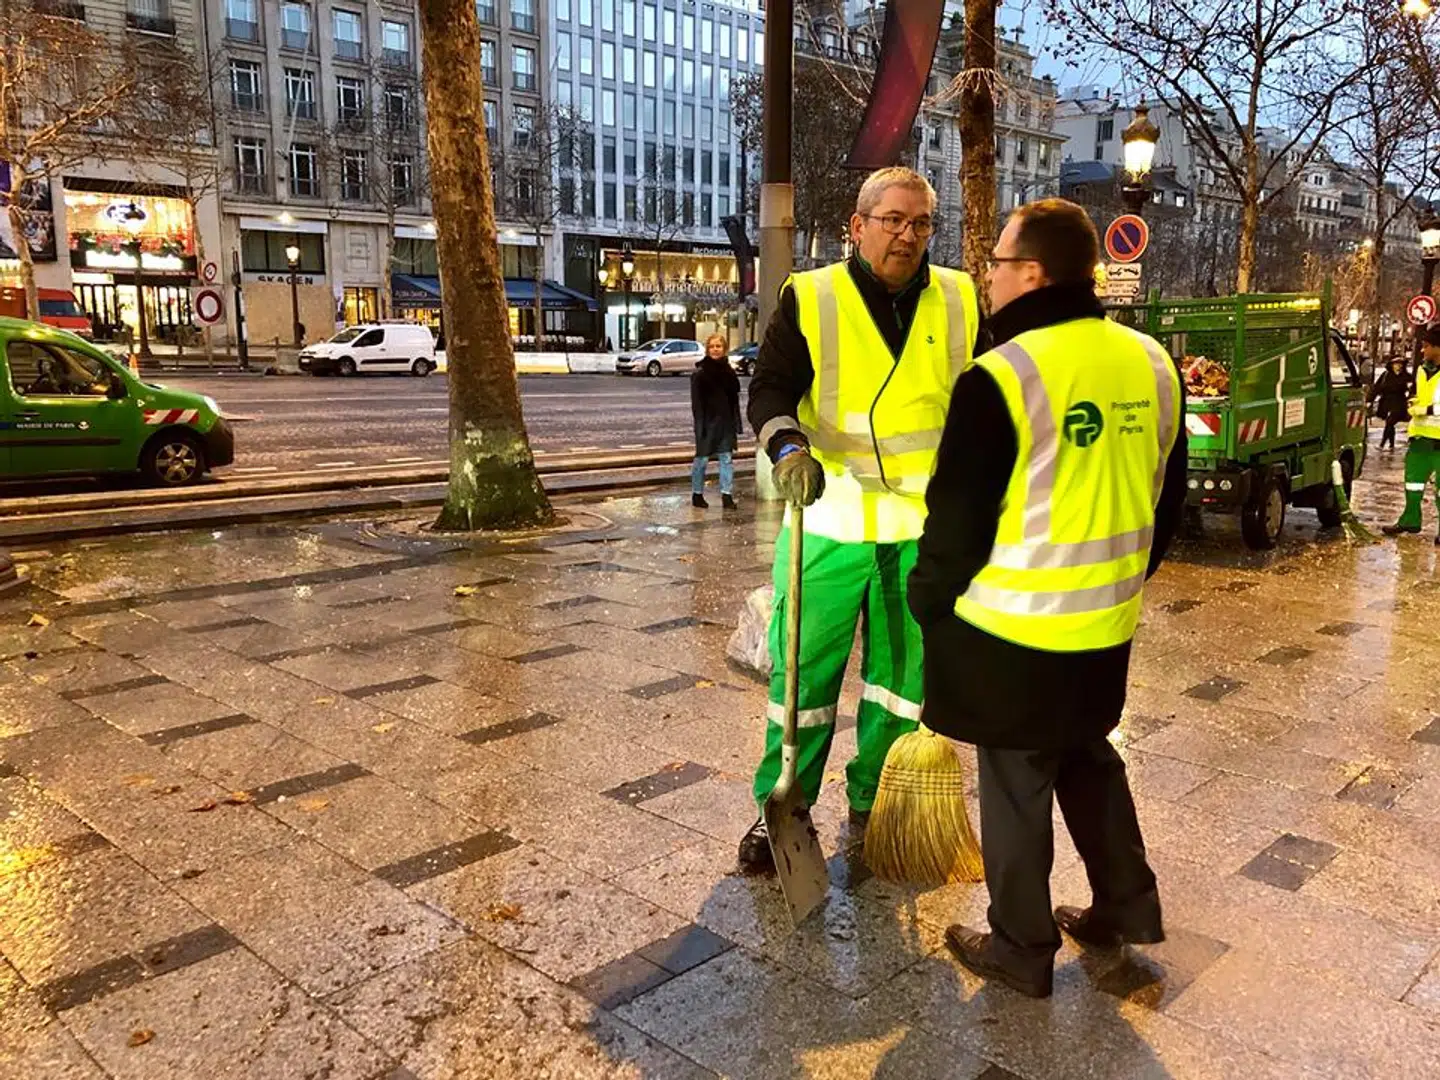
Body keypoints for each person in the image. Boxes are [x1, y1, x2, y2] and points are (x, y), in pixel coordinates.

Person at [907, 198, 1187, 999]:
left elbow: (955, 520)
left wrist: (929, 600)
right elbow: (1166, 499)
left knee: (1017, 779)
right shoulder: (1151, 362)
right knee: (1091, 759)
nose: (987, 277)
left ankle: (1021, 948)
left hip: (1012, 627)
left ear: (1031, 273)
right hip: (1106, 622)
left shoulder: (1002, 375)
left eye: (995, 263)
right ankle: (1124, 910)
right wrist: (1125, 578)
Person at [738, 166, 982, 871]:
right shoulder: (812, 296)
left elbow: (985, 397)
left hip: (919, 529)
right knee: (803, 680)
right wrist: (787, 447)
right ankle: (780, 807)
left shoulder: (961, 298)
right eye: (894, 221)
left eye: (921, 224)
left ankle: (875, 801)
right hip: (830, 517)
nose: (908, 236)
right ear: (858, 226)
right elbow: (773, 388)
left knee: (902, 683)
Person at [1383, 326, 1440, 541]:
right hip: (1419, 438)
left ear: (1438, 347)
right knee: (1412, 483)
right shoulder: (1422, 370)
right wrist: (1413, 404)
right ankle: (1410, 520)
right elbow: (1417, 395)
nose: (1422, 351)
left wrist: (1424, 410)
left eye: (1426, 347)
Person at [691, 332, 742, 509]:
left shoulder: (729, 372)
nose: (715, 349)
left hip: (726, 423)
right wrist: (700, 427)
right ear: (707, 349)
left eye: (718, 346)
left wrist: (736, 423)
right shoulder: (700, 373)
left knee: (726, 459)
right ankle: (697, 494)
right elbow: (697, 405)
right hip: (707, 423)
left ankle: (726, 496)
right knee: (702, 460)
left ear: (724, 349)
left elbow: (734, 400)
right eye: (712, 346)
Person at [1371, 357, 1411, 452]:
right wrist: (1370, 399)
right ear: (1391, 365)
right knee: (1389, 424)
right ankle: (1391, 445)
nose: (1398, 366)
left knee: (1390, 422)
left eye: (1400, 364)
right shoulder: (1385, 375)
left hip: (1399, 403)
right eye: (1396, 364)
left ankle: (1382, 444)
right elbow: (1377, 388)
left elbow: (1412, 389)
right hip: (1387, 402)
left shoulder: (1407, 376)